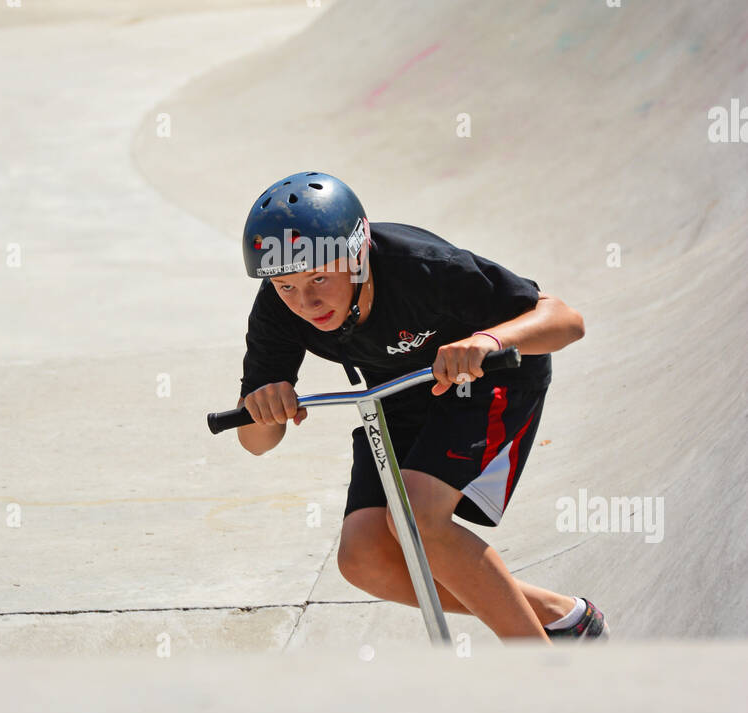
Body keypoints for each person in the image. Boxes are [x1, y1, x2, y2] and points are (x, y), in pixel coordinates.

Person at [235, 171, 608, 642]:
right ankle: (561, 618)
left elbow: (566, 321)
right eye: (286, 286)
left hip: (487, 380)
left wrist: (487, 340)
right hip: (400, 398)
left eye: (320, 278)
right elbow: (255, 443)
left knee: (416, 517)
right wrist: (265, 410)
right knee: (364, 556)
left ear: (357, 253)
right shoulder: (277, 307)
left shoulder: (422, 268)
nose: (307, 301)